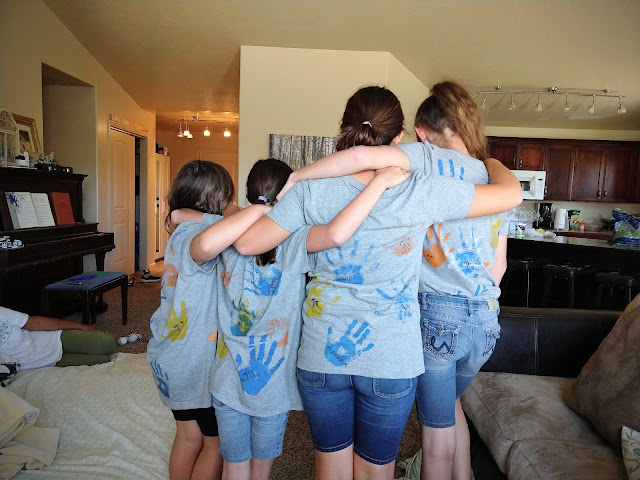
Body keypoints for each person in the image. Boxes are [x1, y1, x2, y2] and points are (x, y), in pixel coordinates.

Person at [234, 86, 521, 480]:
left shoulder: (309, 191)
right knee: (375, 471)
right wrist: (493, 164)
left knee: (331, 468)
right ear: (400, 137)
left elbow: (248, 244)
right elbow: (506, 198)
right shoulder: (423, 188)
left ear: (343, 127)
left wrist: (287, 215)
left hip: (321, 351)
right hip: (391, 356)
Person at [171, 158, 409, 480]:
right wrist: (378, 182)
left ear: (247, 193)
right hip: (275, 387)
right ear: (288, 196)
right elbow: (337, 232)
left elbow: (184, 218)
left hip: (226, 379)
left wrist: (240, 212)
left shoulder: (226, 237)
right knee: (260, 471)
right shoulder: (296, 242)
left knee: (234, 468)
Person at [147, 160, 271, 480]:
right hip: (192, 361)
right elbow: (212, 242)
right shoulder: (198, 233)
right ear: (217, 199)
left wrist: (188, 215)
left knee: (189, 437)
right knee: (214, 444)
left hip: (171, 354)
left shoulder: (182, 229)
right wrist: (240, 212)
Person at [0, 306, 115, 369]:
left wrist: (80, 326)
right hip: (45, 363)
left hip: (54, 339)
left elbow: (36, 322)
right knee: (105, 360)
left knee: (107, 342)